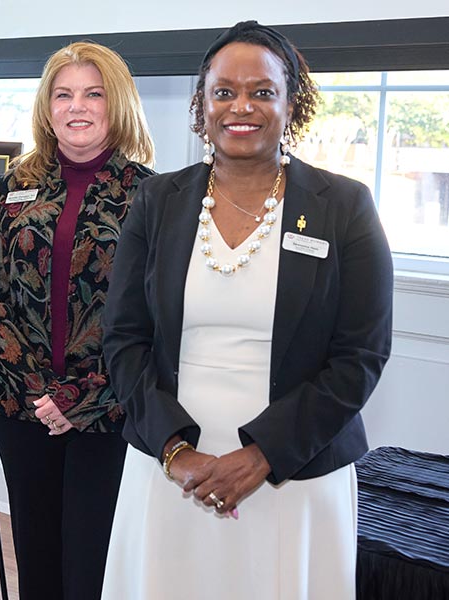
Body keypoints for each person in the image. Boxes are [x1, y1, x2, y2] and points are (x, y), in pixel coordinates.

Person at [100, 21, 393, 599]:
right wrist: (175, 451)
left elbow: (360, 355)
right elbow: (123, 338)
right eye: (223, 91)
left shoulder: (345, 206)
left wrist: (263, 455)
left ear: (291, 105)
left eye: (263, 92)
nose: (242, 107)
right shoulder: (157, 200)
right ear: (201, 105)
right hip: (172, 470)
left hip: (295, 475)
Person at [0, 41, 155, 600]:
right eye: (65, 93)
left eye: (93, 94)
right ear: (47, 107)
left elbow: (156, 313)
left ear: (115, 103)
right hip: (19, 404)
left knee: (91, 561)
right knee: (38, 553)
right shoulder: (10, 187)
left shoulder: (152, 194)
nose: (79, 107)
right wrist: (39, 392)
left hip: (109, 408)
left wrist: (79, 395)